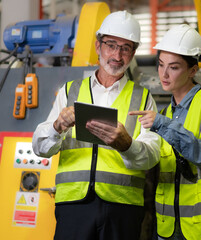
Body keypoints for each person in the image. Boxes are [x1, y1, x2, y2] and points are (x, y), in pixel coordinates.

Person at [32, 11, 161, 240]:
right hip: (73, 206)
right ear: (98, 46)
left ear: (133, 53)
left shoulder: (143, 98)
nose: (117, 55)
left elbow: (152, 156)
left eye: (126, 48)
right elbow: (40, 147)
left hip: (123, 208)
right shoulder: (70, 90)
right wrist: (57, 126)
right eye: (111, 45)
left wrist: (128, 145)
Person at [129, 24, 201, 240]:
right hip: (168, 225)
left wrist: (163, 125)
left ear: (192, 71)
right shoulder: (164, 112)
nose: (164, 74)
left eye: (174, 67)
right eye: (161, 65)